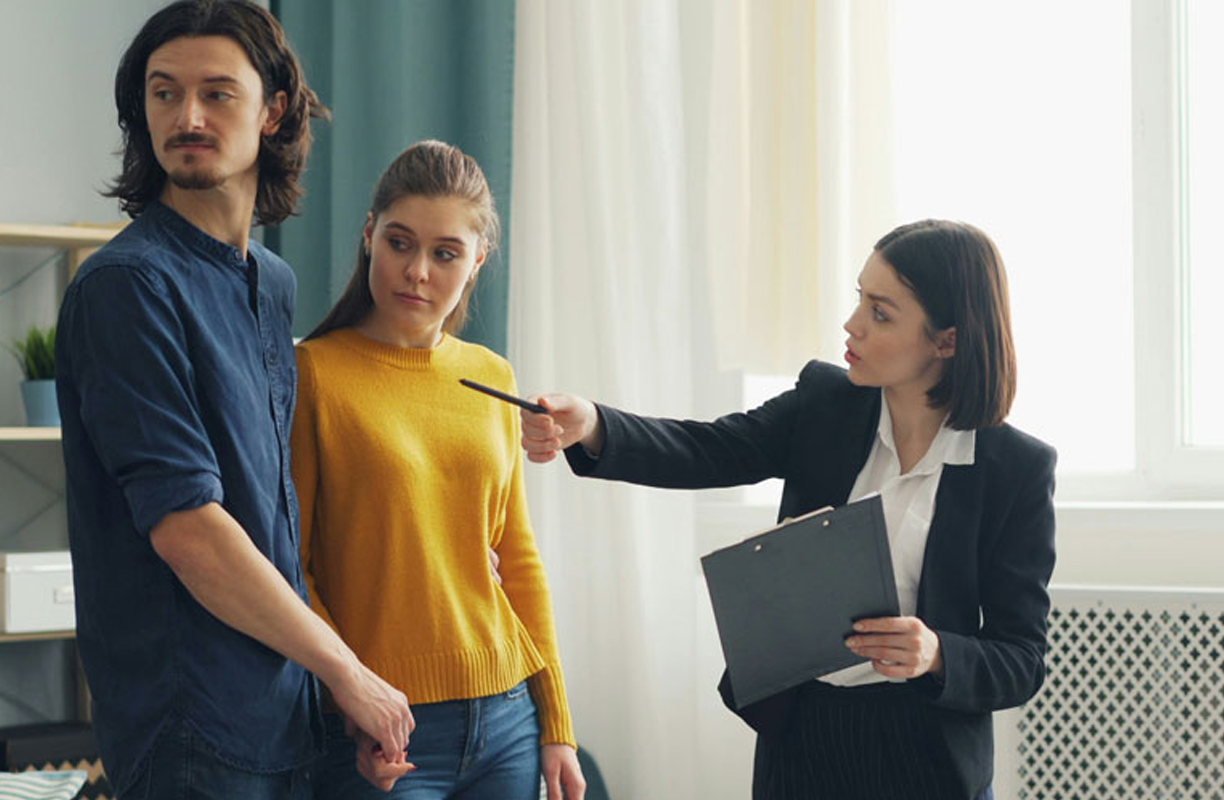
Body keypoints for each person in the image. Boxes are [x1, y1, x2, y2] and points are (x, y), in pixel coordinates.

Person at [520, 220, 1057, 800]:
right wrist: (594, 424)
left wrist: (936, 653)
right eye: (859, 299)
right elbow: (710, 449)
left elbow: (1020, 658)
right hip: (803, 731)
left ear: (946, 340)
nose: (851, 325)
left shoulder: (1014, 468)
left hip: (923, 749)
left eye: (881, 313)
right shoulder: (825, 404)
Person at [55, 3, 414, 798]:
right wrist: (348, 672)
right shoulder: (126, 287)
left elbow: (271, 517)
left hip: (280, 712)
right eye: (163, 93)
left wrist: (326, 694)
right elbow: (189, 529)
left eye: (218, 93)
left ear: (272, 109)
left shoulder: (271, 284)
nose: (186, 116)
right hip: (186, 724)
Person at [291, 140, 586, 800]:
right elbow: (294, 566)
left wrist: (555, 724)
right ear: (369, 235)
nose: (417, 271)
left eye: (445, 253)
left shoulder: (492, 375)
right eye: (400, 243)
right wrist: (351, 696)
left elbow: (518, 558)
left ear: (476, 259)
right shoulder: (314, 374)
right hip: (382, 732)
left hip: (508, 715)